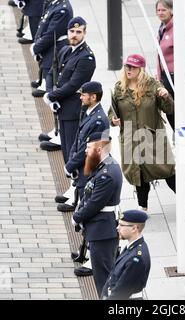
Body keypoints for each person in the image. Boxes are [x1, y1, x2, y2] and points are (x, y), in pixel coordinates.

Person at [109, 54, 185, 219]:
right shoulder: (119, 88)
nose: (129, 70)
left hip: (152, 137)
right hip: (130, 139)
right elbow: (112, 111)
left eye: (133, 67)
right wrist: (113, 120)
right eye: (127, 66)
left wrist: (166, 96)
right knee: (139, 174)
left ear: (141, 69)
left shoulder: (153, 86)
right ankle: (142, 207)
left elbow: (170, 109)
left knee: (167, 171)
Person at [72, 132, 123, 298]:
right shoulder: (104, 166)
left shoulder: (106, 174)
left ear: (99, 149)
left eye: (89, 148)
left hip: (103, 230)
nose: (86, 151)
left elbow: (95, 204)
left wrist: (77, 217)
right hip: (101, 227)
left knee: (104, 278)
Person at [42, 16, 96, 163]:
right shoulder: (65, 50)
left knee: (73, 150)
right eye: (72, 31)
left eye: (78, 32)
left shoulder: (86, 58)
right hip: (62, 107)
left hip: (74, 110)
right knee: (65, 149)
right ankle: (73, 181)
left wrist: (52, 97)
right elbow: (51, 73)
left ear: (84, 33)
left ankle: (76, 182)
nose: (74, 34)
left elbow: (74, 85)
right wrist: (49, 94)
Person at [57, 81, 110, 212]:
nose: (80, 97)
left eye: (83, 95)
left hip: (88, 168)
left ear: (93, 97)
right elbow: (78, 139)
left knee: (85, 205)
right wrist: (71, 160)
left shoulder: (98, 120)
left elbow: (88, 148)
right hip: (81, 166)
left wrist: (70, 165)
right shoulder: (88, 112)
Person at [156, 0, 185, 130]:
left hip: (174, 77)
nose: (160, 13)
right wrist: (158, 75)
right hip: (165, 77)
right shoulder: (162, 28)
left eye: (163, 10)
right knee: (169, 111)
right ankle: (177, 136)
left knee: (174, 111)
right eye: (158, 10)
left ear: (171, 11)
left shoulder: (177, 30)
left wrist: (184, 80)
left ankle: (180, 137)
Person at [102, 209, 150, 300]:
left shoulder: (136, 258)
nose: (117, 228)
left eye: (121, 225)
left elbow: (121, 292)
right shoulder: (132, 246)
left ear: (134, 228)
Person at [29, 0, 73, 97]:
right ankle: (42, 80)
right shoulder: (54, 3)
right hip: (51, 43)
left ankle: (46, 87)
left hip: (56, 45)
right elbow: (43, 23)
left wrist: (36, 48)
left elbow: (52, 34)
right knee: (43, 62)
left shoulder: (63, 9)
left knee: (49, 64)